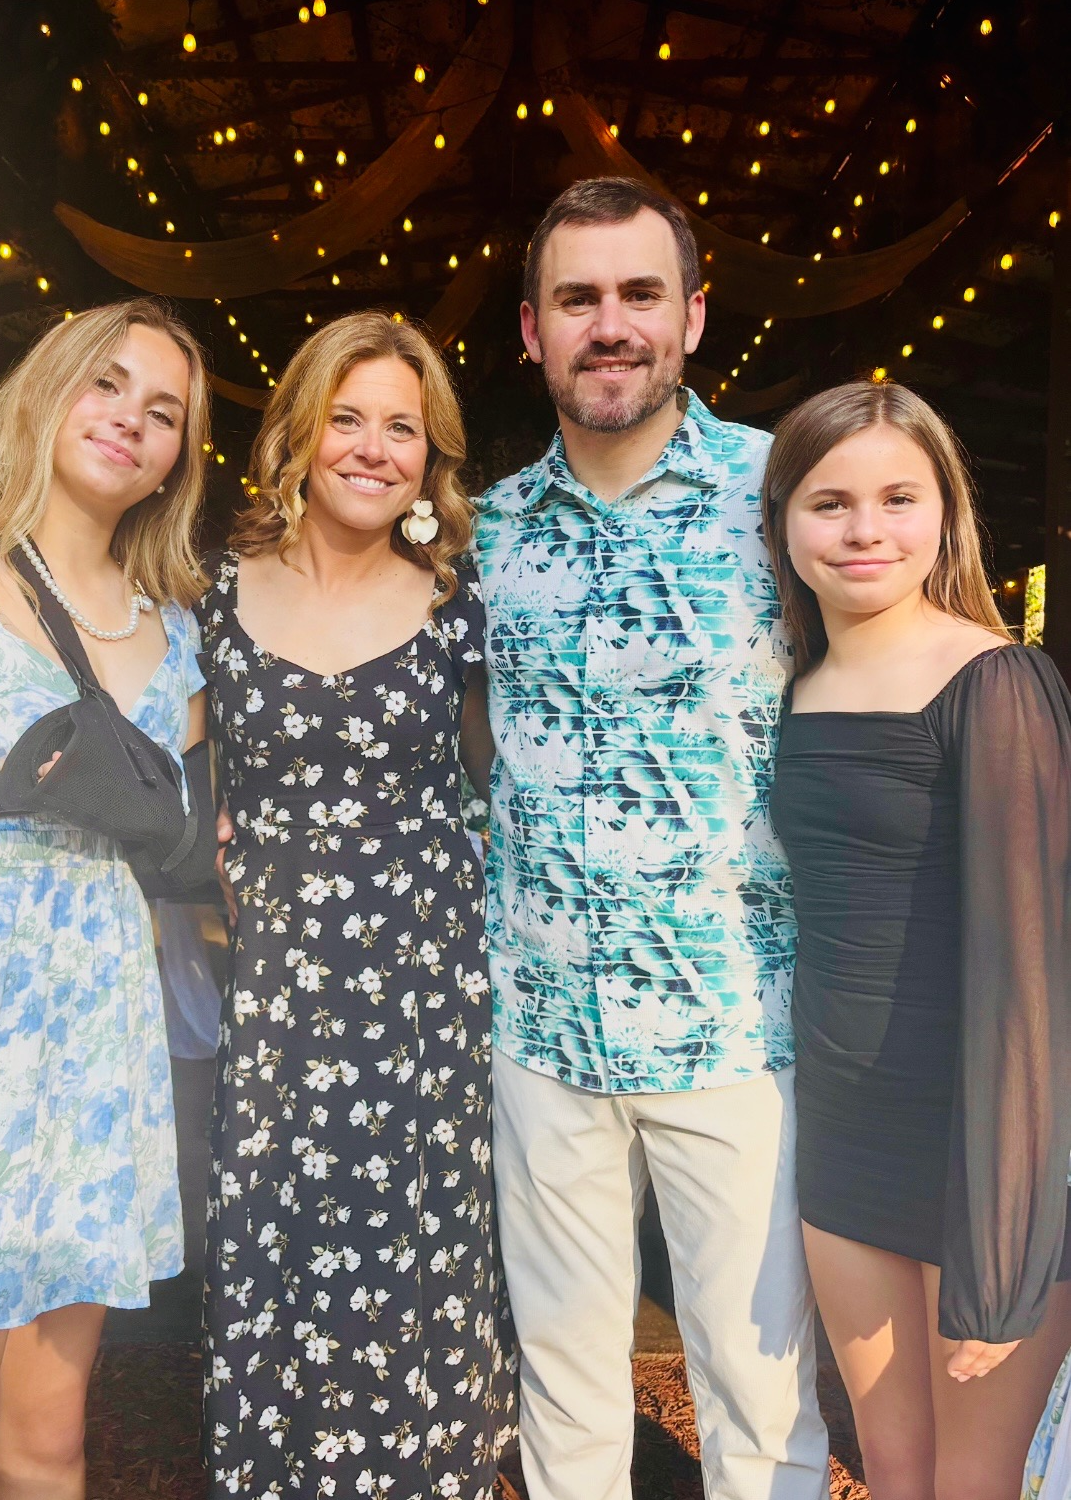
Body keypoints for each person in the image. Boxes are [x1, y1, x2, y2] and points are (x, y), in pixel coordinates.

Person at [472, 176, 830, 1500]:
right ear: (532, 330)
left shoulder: (784, 492)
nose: (609, 324)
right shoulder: (485, 531)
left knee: (759, 1403)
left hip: (734, 1027)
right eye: (577, 299)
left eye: (638, 294)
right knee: (564, 1402)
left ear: (691, 315)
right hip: (541, 1032)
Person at [0, 298, 211, 1500]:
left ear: (178, 457)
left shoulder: (178, 638)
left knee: (44, 1451)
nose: (130, 419)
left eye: (163, 411)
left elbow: (210, 830)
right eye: (105, 383)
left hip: (99, 1057)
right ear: (46, 391)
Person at [196, 310, 515, 1499]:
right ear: (300, 430)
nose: (376, 449)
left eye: (404, 429)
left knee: (419, 1270)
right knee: (275, 1256)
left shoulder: (458, 609)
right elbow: (160, 766)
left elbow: (511, 785)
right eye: (349, 419)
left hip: (427, 1002)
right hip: (279, 1001)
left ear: (431, 460)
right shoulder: (213, 598)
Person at [762, 380, 1071, 1500]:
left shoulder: (994, 680)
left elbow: (1032, 978)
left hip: (976, 1145)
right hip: (846, 1136)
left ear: (946, 513)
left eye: (899, 498)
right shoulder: (791, 685)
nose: (865, 530)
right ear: (783, 523)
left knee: (970, 1484)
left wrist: (1007, 1242)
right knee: (895, 1471)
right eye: (829, 502)